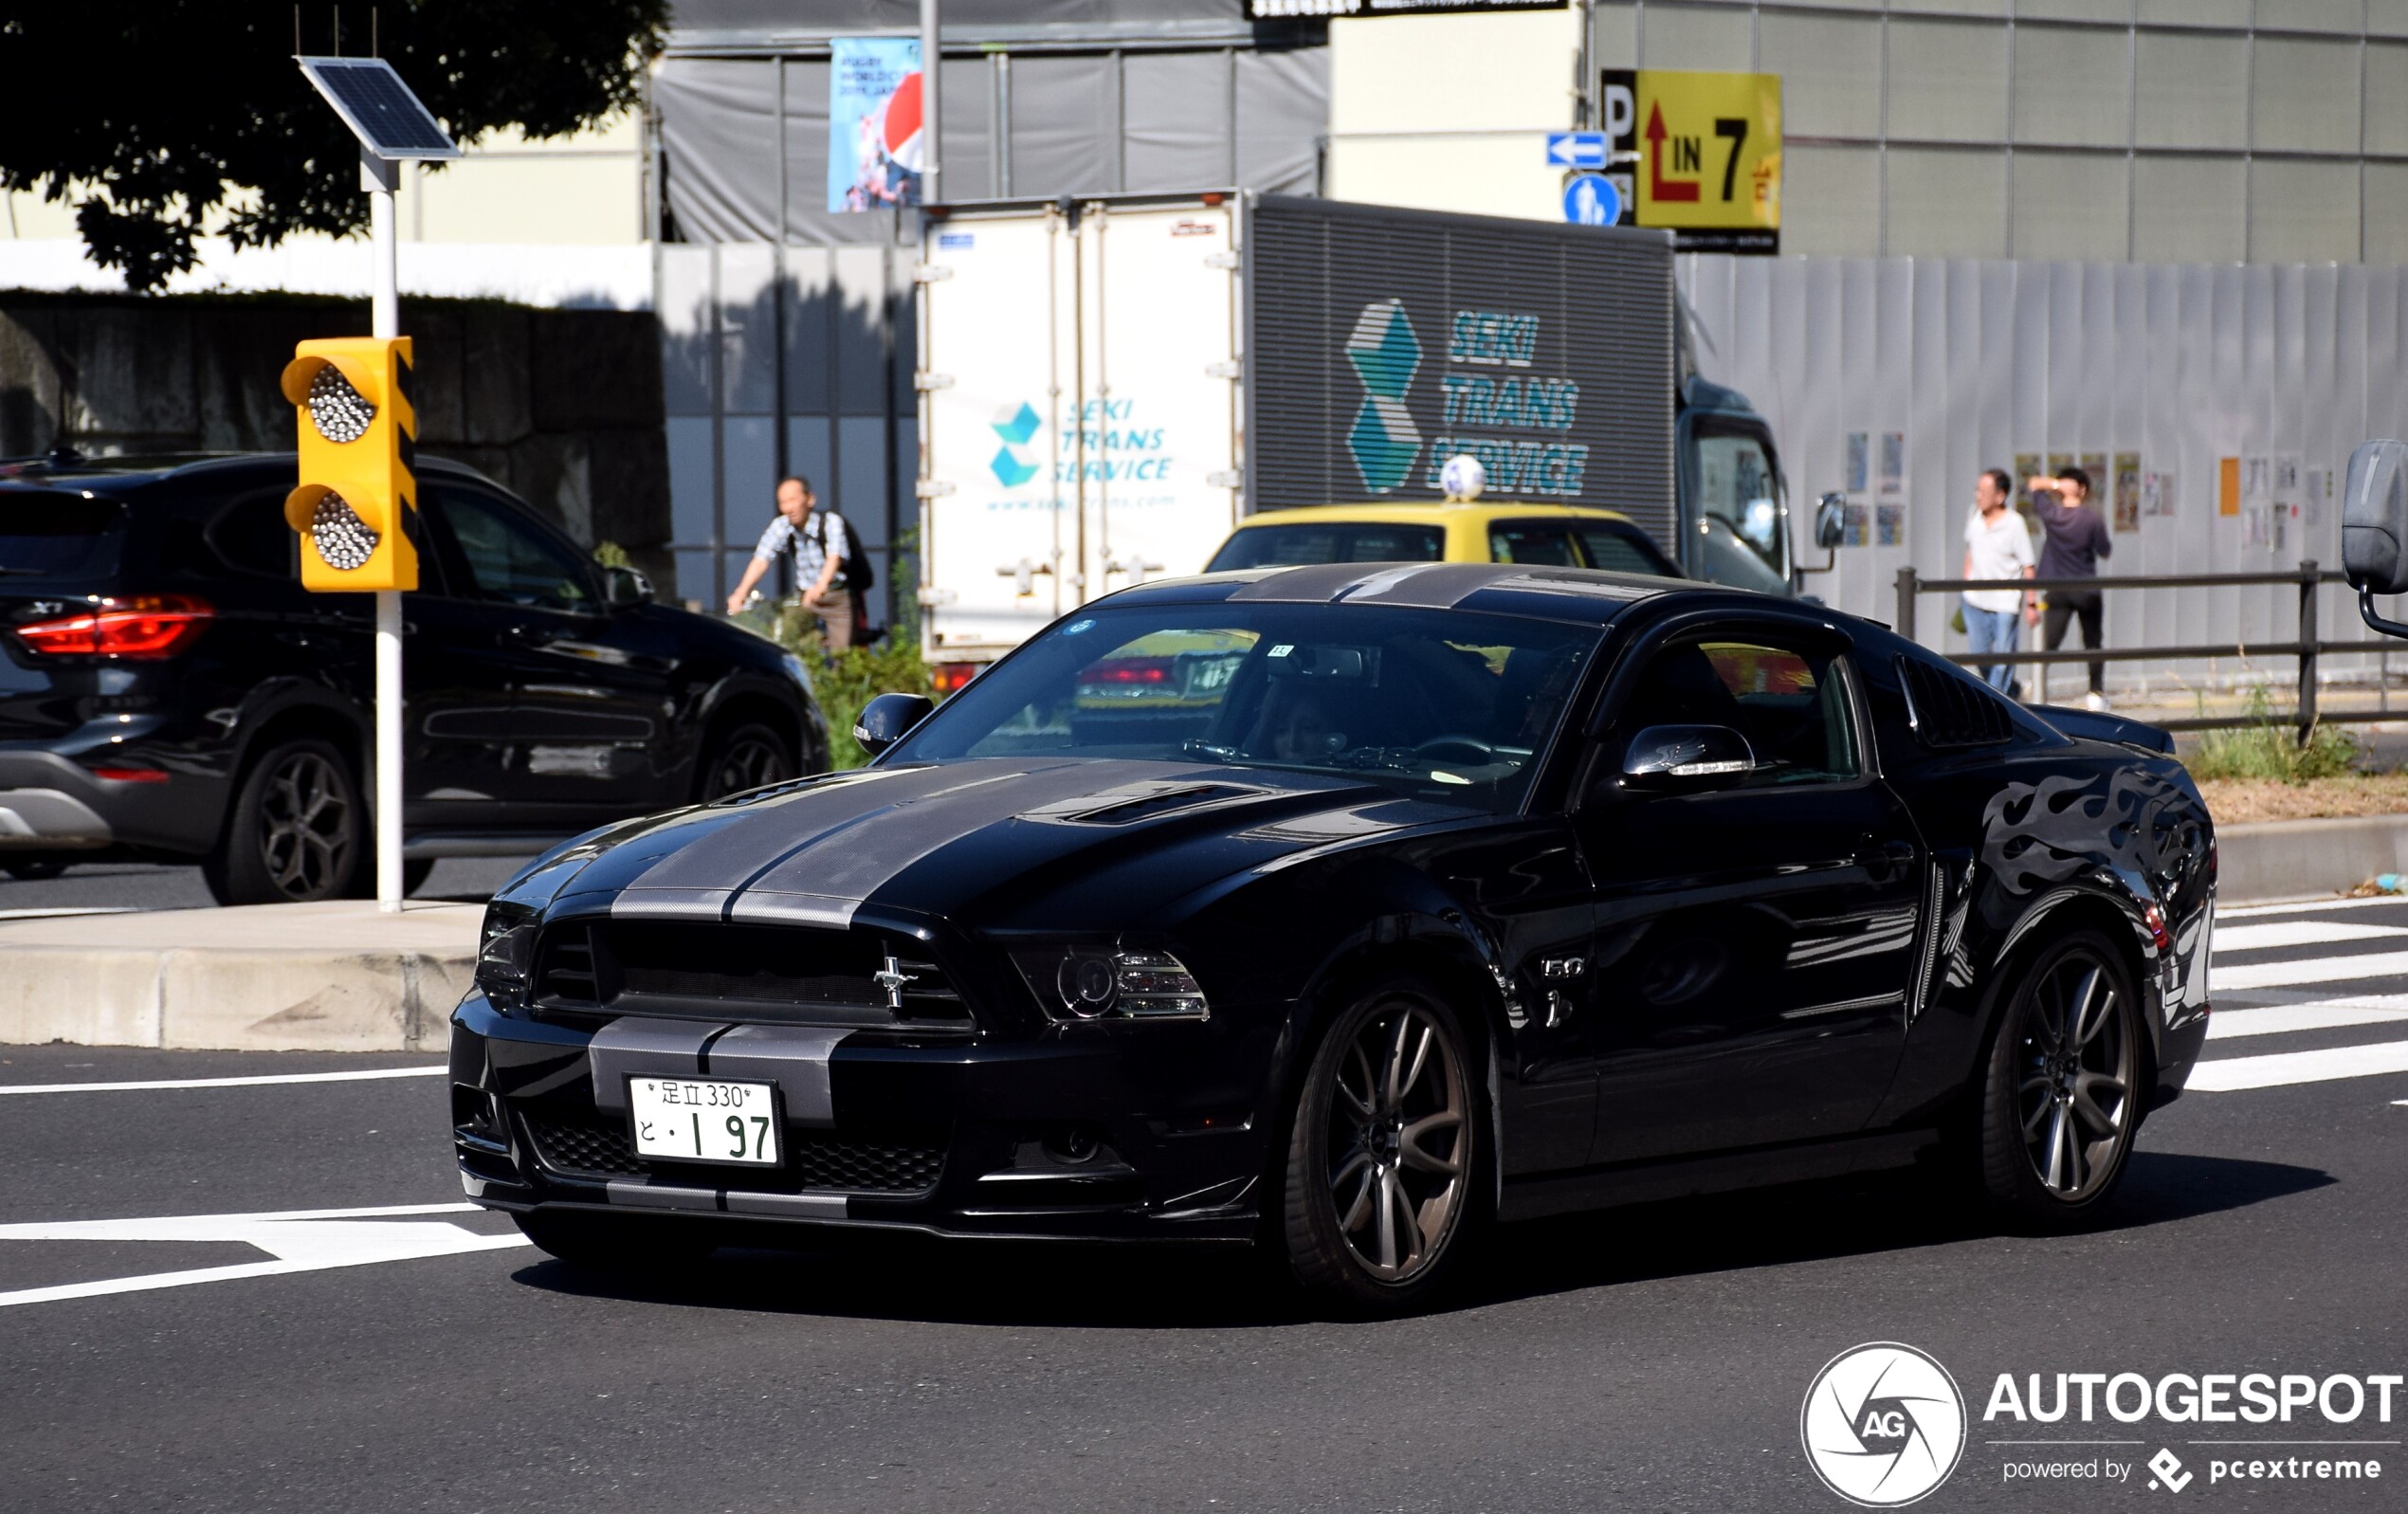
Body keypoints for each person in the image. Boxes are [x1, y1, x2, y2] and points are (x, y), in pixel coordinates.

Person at [725, 475, 855, 649]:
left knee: (842, 655)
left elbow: (834, 557)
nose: (788, 508)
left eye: (793, 500)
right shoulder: (781, 526)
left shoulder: (831, 522)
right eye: (783, 503)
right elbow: (762, 558)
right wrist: (741, 592)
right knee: (785, 640)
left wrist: (820, 586)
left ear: (810, 499)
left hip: (834, 597)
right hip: (804, 598)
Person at [2028, 465, 2113, 711]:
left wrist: (2054, 484)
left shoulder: (2052, 515)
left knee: (2049, 642)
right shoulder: (2093, 518)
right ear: (2084, 490)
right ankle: (2096, 693)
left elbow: (2034, 485)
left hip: (2057, 588)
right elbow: (2104, 551)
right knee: (2093, 642)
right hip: (2087, 589)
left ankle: (2038, 688)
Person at [1961, 467, 2036, 695]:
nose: (1978, 495)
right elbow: (1970, 550)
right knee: (1980, 655)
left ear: (2000, 495)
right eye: (1977, 490)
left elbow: (2028, 565)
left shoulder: (2015, 524)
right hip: (1974, 600)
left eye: (1984, 491)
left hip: (2005, 601)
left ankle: (1995, 703)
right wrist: (1965, 582)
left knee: (2002, 659)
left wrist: (2031, 604)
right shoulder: (1974, 513)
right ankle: (2011, 691)